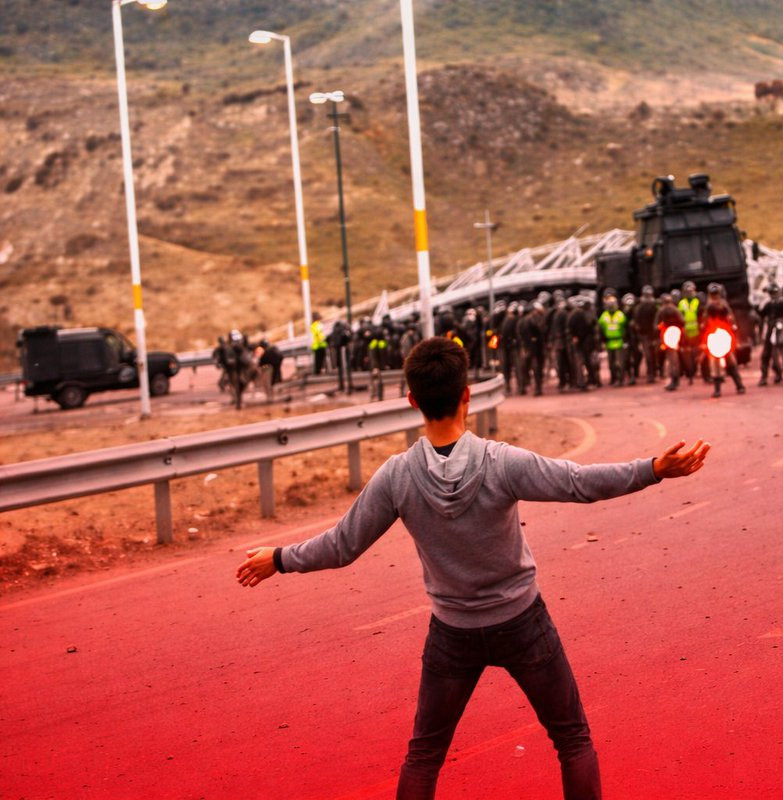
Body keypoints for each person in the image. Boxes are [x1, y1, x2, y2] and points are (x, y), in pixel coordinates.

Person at [236, 338, 710, 800]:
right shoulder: (501, 462)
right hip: (523, 624)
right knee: (572, 740)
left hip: (452, 634)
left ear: (412, 400)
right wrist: (653, 468)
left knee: (424, 757)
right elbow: (579, 483)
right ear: (467, 395)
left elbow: (342, 545)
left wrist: (279, 558)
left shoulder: (397, 476)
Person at [701, 283, 745, 397]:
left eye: (715, 294)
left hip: (721, 335)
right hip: (715, 335)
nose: (714, 296)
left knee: (730, 362)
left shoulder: (722, 304)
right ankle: (719, 389)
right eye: (713, 294)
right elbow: (705, 322)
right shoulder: (710, 306)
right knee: (716, 364)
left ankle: (739, 385)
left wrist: (733, 327)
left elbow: (731, 318)